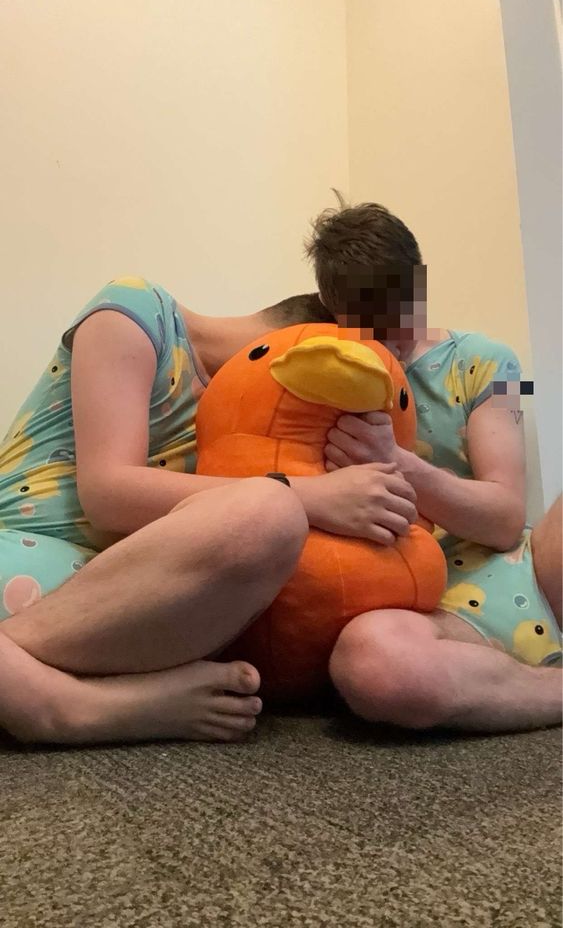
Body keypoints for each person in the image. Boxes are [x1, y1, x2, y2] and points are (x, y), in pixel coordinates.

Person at [0, 276, 419, 745]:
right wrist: (314, 496)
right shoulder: (132, 312)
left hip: (123, 598)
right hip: (22, 554)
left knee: (268, 520)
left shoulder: (248, 426)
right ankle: (56, 704)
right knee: (269, 507)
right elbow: (108, 494)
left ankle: (29, 680)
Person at [304, 196, 562, 733]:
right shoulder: (319, 374)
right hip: (427, 609)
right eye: (373, 325)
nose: (396, 336)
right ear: (333, 311)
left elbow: (505, 517)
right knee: (372, 665)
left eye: (404, 309)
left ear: (420, 280)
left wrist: (398, 464)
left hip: (528, 567)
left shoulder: (494, 361)